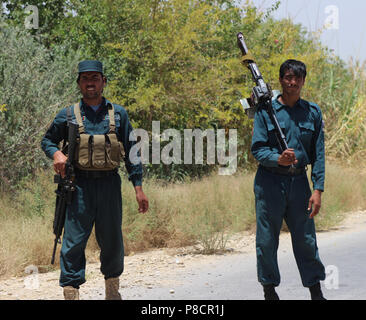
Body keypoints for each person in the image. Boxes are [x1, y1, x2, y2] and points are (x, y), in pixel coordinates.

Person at [41, 60, 149, 300]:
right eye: (85, 78)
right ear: (79, 83)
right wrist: (57, 153)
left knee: (112, 241)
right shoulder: (68, 115)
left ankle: (112, 291)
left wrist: (138, 188)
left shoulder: (118, 114)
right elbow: (46, 141)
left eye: (95, 78)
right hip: (78, 187)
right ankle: (71, 293)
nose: (90, 83)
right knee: (73, 242)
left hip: (109, 185)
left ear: (103, 81)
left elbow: (132, 152)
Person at [251, 59, 326, 300]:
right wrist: (277, 159)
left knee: (306, 239)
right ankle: (269, 290)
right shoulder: (266, 111)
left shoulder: (312, 112)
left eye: (297, 78)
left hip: (299, 185)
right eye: (287, 78)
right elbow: (258, 150)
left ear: (303, 81)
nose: (292, 83)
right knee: (267, 240)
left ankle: (315, 291)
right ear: (281, 80)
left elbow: (319, 154)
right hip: (270, 182)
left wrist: (318, 189)